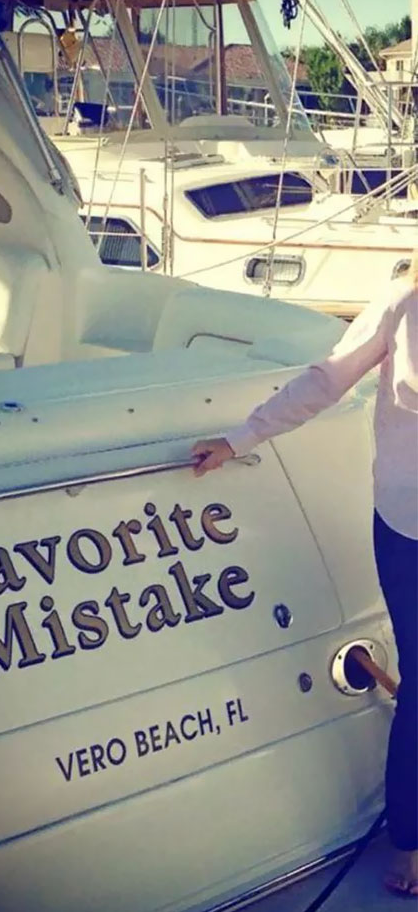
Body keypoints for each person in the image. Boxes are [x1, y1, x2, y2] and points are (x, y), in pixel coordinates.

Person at [192, 251, 418, 897]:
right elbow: (326, 379)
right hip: (408, 526)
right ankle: (407, 836)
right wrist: (241, 438)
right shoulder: (401, 302)